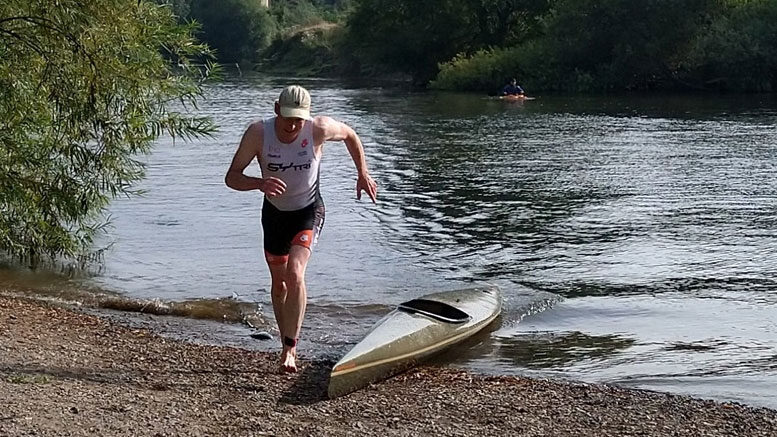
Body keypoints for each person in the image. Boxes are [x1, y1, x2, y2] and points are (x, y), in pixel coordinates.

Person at [225, 85, 378, 373]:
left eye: (298, 119)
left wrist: (362, 173)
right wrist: (260, 183)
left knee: (295, 273)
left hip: (308, 211)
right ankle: (285, 340)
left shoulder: (318, 128)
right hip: (274, 216)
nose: (293, 125)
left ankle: (289, 349)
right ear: (276, 110)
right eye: (287, 118)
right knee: (279, 283)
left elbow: (351, 135)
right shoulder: (258, 133)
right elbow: (232, 177)